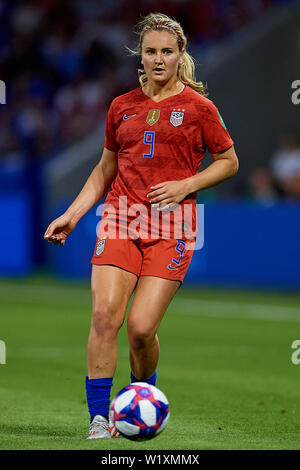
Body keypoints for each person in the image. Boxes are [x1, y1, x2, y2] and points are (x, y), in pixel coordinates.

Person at [44, 12, 239, 439]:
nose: (157, 59)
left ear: (180, 55)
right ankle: (100, 417)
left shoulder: (199, 109)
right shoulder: (122, 107)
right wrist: (72, 215)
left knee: (140, 329)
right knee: (104, 316)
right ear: (140, 55)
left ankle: (140, 400)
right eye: (150, 51)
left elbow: (229, 162)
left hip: (173, 226)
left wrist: (186, 184)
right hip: (120, 219)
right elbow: (104, 170)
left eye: (166, 52)